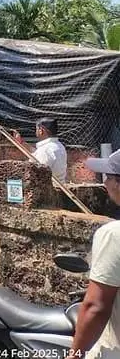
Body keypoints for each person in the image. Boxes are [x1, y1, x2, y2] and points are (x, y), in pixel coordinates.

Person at [68, 150, 120, 358]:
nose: (104, 183)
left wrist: (75, 354)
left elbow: (96, 307)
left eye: (107, 177)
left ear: (118, 183)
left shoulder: (113, 235)